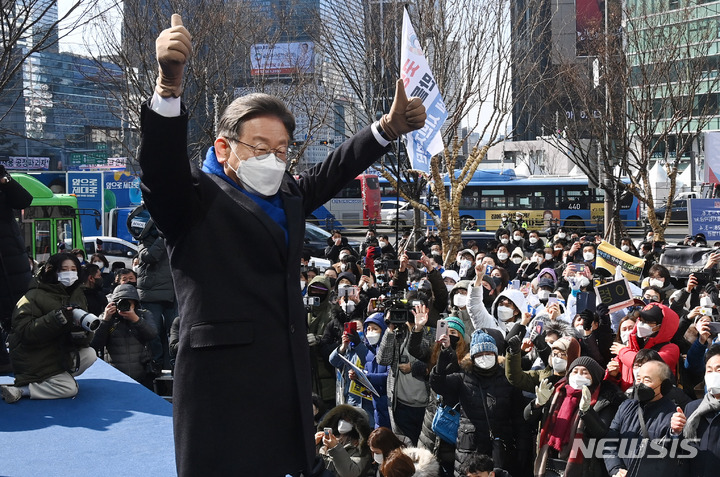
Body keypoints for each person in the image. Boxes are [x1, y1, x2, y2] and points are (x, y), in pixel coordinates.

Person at [139, 14, 426, 476]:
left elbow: (333, 169)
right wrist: (169, 87)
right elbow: (158, 169)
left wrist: (385, 130)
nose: (271, 159)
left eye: (280, 149)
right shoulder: (191, 199)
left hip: (284, 376)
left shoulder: (287, 194)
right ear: (225, 146)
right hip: (222, 384)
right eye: (257, 146)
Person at [1, 253, 97, 403]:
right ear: (51, 270)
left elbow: (83, 340)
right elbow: (25, 333)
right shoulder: (33, 296)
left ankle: (57, 378)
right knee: (69, 389)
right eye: (64, 269)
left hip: (57, 352)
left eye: (73, 269)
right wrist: (57, 318)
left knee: (90, 354)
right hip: (33, 356)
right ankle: (21, 390)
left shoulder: (76, 294)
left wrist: (81, 333)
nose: (70, 273)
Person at [604, 360, 681, 477]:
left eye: (647, 380)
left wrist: (676, 432)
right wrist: (616, 469)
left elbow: (674, 452)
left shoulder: (672, 414)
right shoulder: (625, 406)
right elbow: (609, 441)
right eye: (639, 379)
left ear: (663, 385)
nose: (640, 384)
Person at [90, 284, 158, 388]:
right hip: (115, 375)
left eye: (128, 303)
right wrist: (105, 321)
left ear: (135, 303)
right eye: (121, 302)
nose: (125, 306)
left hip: (142, 374)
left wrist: (136, 319)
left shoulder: (144, 315)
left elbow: (152, 334)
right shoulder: (107, 318)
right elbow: (95, 344)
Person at [0, 165, 33, 374]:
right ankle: (4, 362)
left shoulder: (4, 183)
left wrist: (5, 180)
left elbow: (24, 200)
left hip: (12, 263)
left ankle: (31, 361)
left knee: (20, 314)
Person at [315, 404, 373, 477]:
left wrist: (335, 448)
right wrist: (313, 446)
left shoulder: (362, 447)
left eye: (347, 420)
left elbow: (351, 472)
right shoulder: (330, 439)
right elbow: (322, 465)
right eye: (341, 419)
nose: (342, 422)